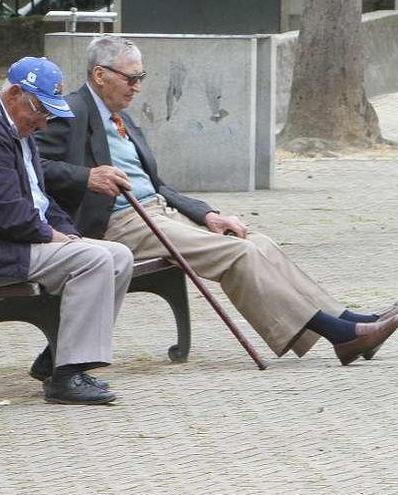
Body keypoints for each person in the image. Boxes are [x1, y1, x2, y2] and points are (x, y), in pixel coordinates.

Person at [35, 35, 398, 366]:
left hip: (157, 212)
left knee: (255, 241)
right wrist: (88, 176)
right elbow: (35, 166)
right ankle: (341, 336)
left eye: (141, 77)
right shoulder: (72, 112)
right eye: (131, 78)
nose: (138, 87)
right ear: (100, 75)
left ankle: (349, 321)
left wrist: (207, 213)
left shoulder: (121, 117)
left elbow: (158, 184)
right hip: (119, 222)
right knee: (237, 255)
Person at [0, 57, 134, 405]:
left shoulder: (15, 128)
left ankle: (58, 360)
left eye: (49, 114)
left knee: (118, 255)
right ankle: (66, 377)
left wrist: (70, 234)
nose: (43, 122)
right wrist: (55, 238)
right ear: (15, 94)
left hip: (8, 242)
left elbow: (41, 200)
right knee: (93, 260)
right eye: (39, 111)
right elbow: (3, 212)